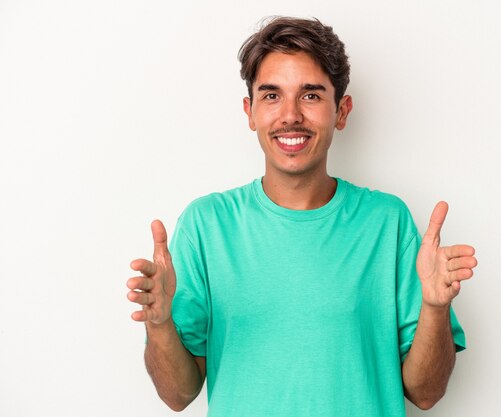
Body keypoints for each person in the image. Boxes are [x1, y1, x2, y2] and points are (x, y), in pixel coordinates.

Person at [126, 16, 477, 416]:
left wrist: (434, 308)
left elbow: (426, 393)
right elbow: (177, 395)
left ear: (341, 111)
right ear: (250, 112)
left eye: (310, 96)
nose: (290, 115)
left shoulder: (388, 223)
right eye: (272, 96)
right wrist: (159, 323)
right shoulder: (207, 226)